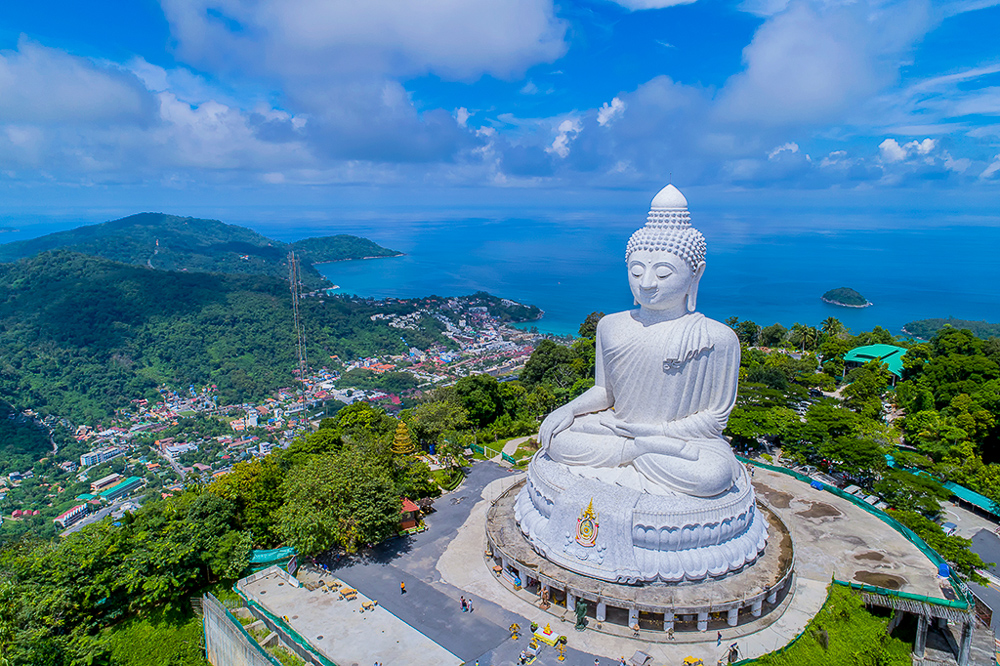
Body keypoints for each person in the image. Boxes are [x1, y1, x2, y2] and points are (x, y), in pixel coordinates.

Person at [538, 189, 741, 499]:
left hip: (678, 441)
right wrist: (568, 409)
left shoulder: (717, 338)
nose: (646, 283)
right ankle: (635, 452)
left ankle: (631, 452)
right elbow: (604, 392)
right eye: (636, 270)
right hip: (621, 430)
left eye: (662, 272)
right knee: (557, 439)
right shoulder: (611, 325)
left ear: (695, 274)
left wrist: (657, 433)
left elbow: (715, 419)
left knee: (712, 476)